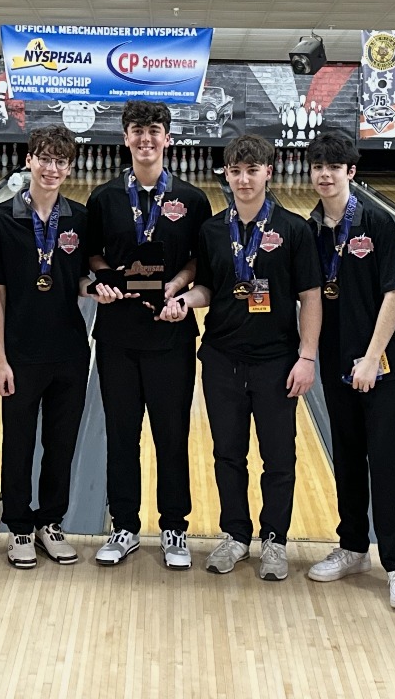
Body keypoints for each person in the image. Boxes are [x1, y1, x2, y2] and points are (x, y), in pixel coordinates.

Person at [161, 134, 320, 581]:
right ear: (226, 175)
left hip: (276, 361)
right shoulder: (213, 230)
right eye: (236, 171)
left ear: (268, 171)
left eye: (252, 171)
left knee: (278, 458)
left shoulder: (294, 229)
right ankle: (235, 535)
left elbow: (310, 296)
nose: (244, 179)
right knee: (227, 454)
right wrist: (185, 302)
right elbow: (208, 288)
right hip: (221, 359)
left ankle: (275, 540)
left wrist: (307, 357)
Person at [84, 100, 211, 569]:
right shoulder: (104, 198)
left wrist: (178, 286)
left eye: (154, 130)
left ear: (167, 138)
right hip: (117, 336)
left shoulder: (192, 200)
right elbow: (92, 254)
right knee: (121, 436)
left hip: (171, 335)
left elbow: (199, 260)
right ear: (125, 138)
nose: (145, 138)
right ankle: (124, 526)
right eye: (137, 130)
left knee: (171, 436)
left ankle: (174, 527)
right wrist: (105, 278)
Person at [304, 131, 395, 610]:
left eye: (334, 167)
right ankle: (352, 546)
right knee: (347, 455)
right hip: (335, 362)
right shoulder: (311, 227)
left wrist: (372, 357)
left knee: (385, 458)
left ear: (351, 171)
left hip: (380, 363)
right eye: (318, 166)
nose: (325, 175)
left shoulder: (375, 221)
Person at [0, 125, 90, 568]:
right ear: (29, 161)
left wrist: (96, 288)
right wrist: (0, 358)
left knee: (62, 443)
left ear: (70, 167)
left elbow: (80, 278)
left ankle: (50, 522)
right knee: (19, 443)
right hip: (21, 353)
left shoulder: (79, 218)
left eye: (60, 161)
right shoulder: (0, 219)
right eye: (44, 159)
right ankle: (19, 526)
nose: (51, 168)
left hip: (70, 351)